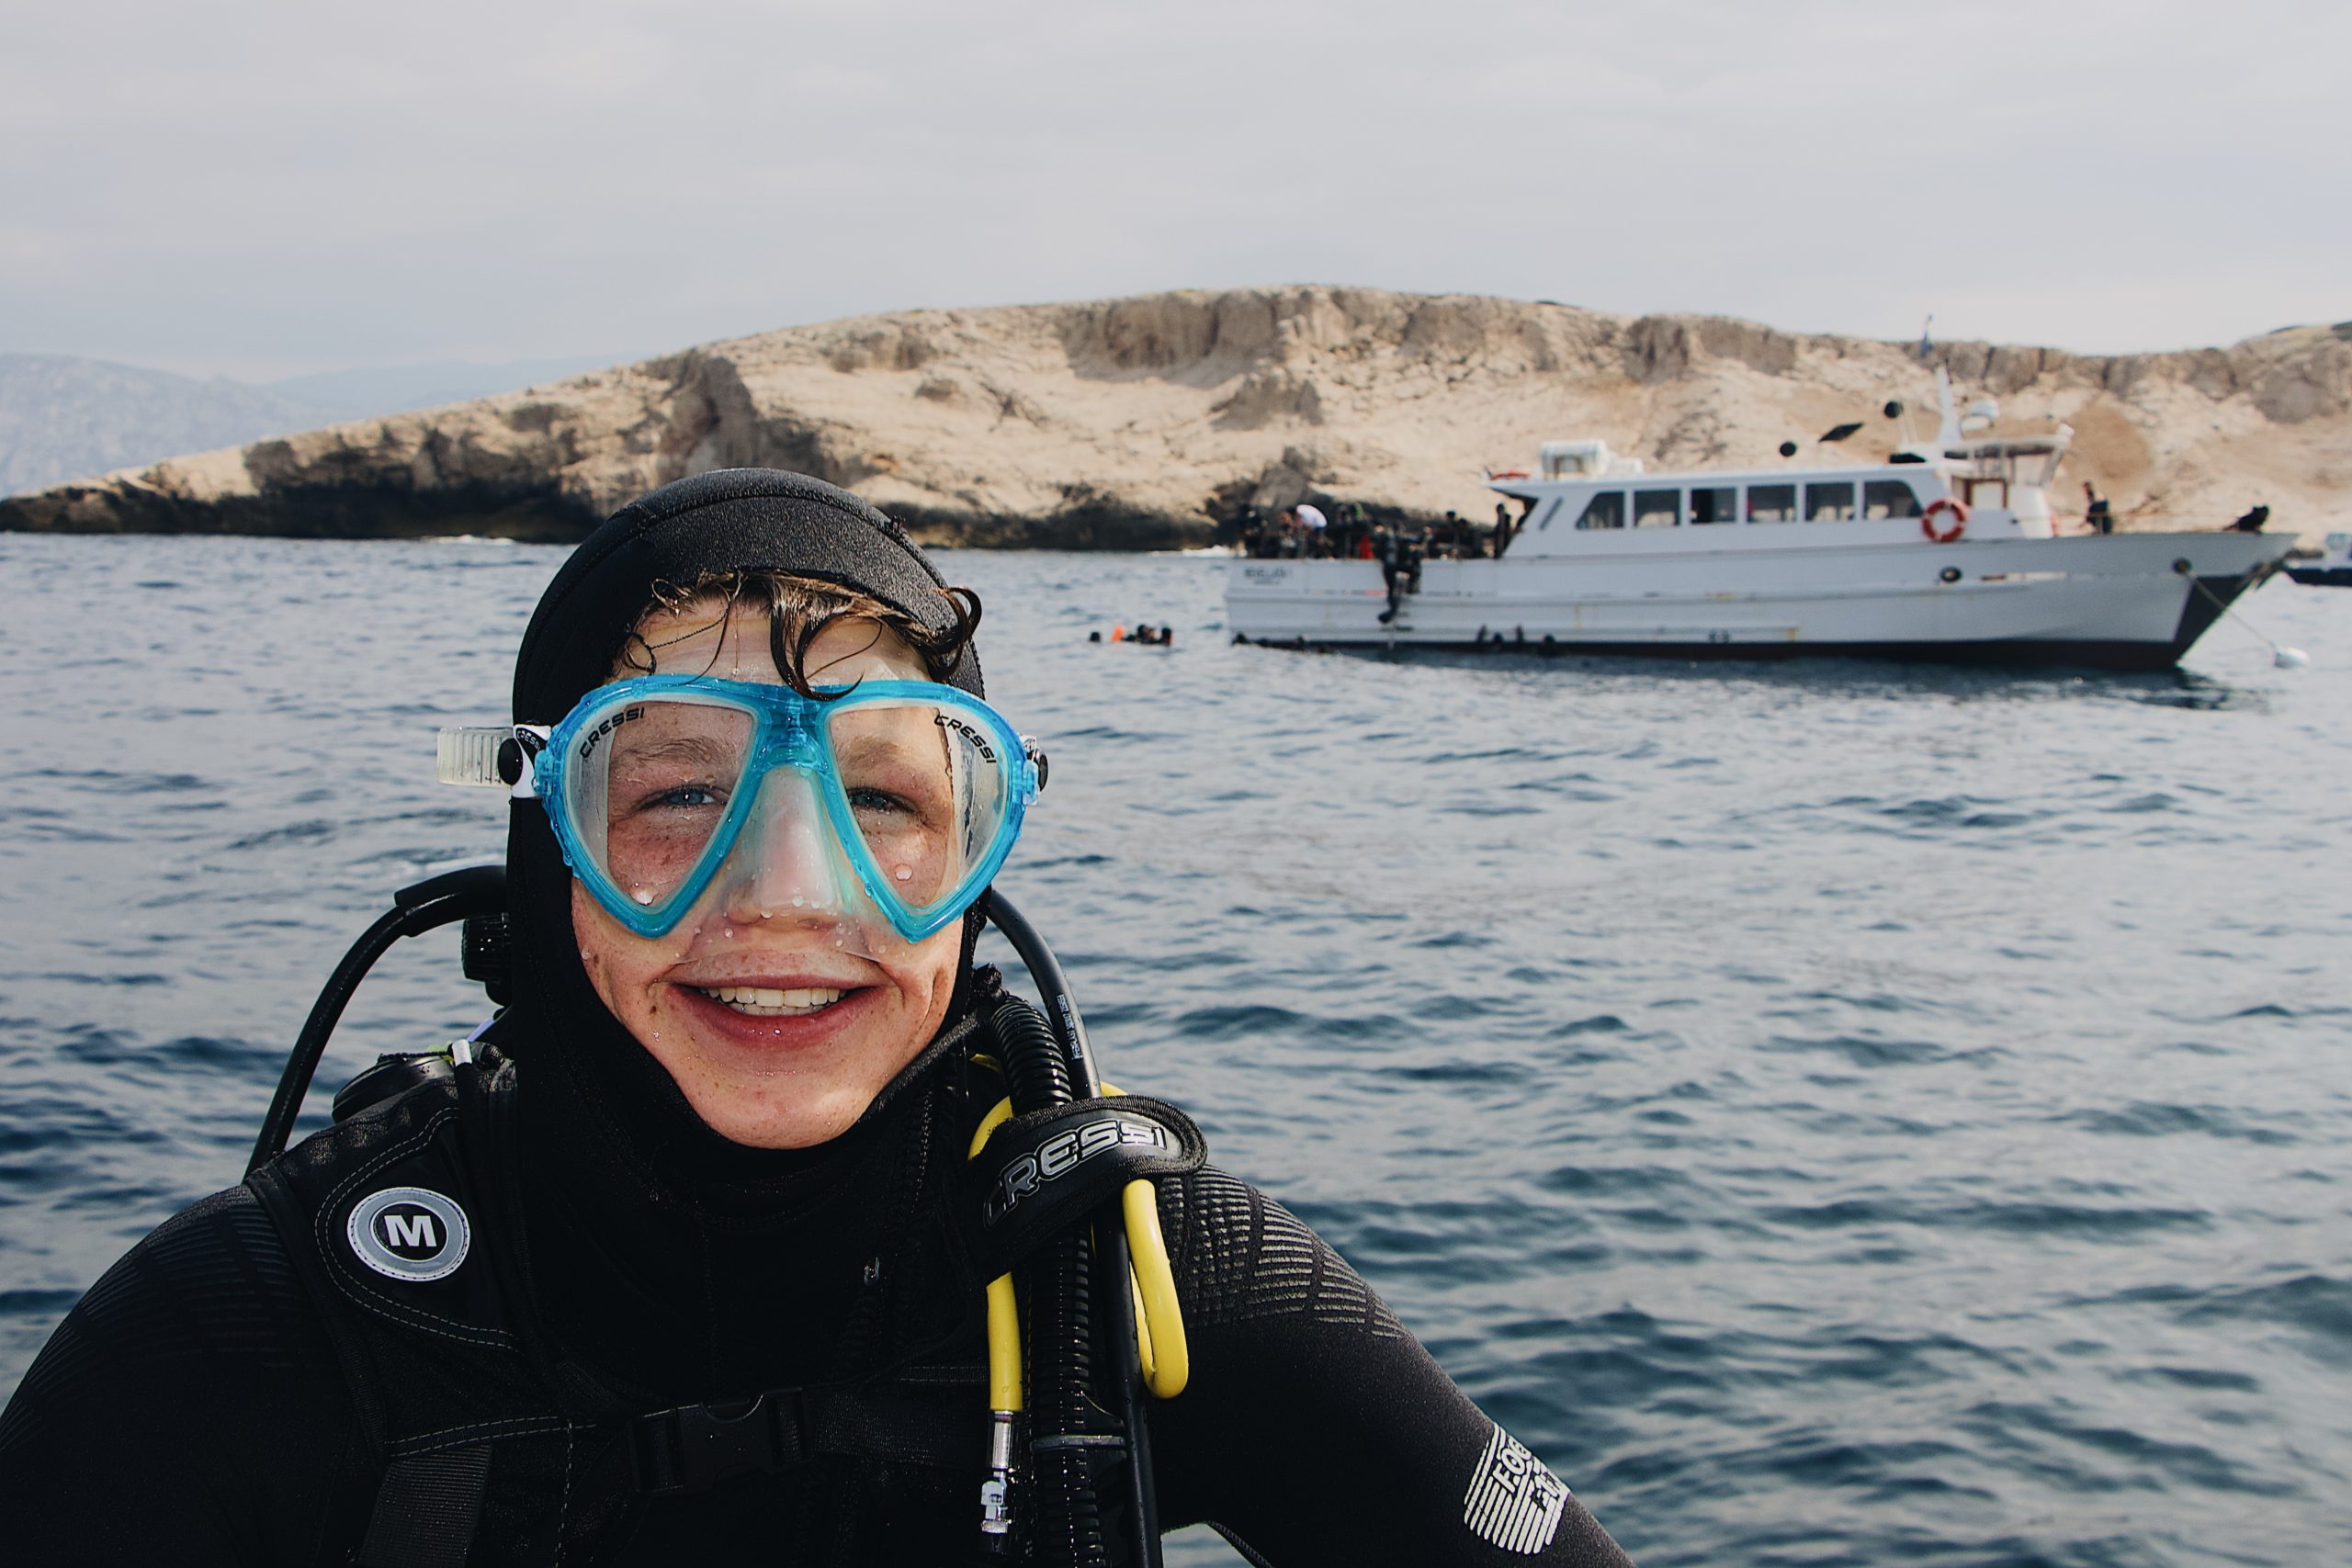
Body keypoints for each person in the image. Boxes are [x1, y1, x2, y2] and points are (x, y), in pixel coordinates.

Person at [0, 469, 1635, 1567]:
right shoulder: (272, 1323)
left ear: (981, 850)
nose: (790, 896)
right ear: (539, 839)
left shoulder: (1134, 1275)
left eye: (885, 800)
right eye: (673, 790)